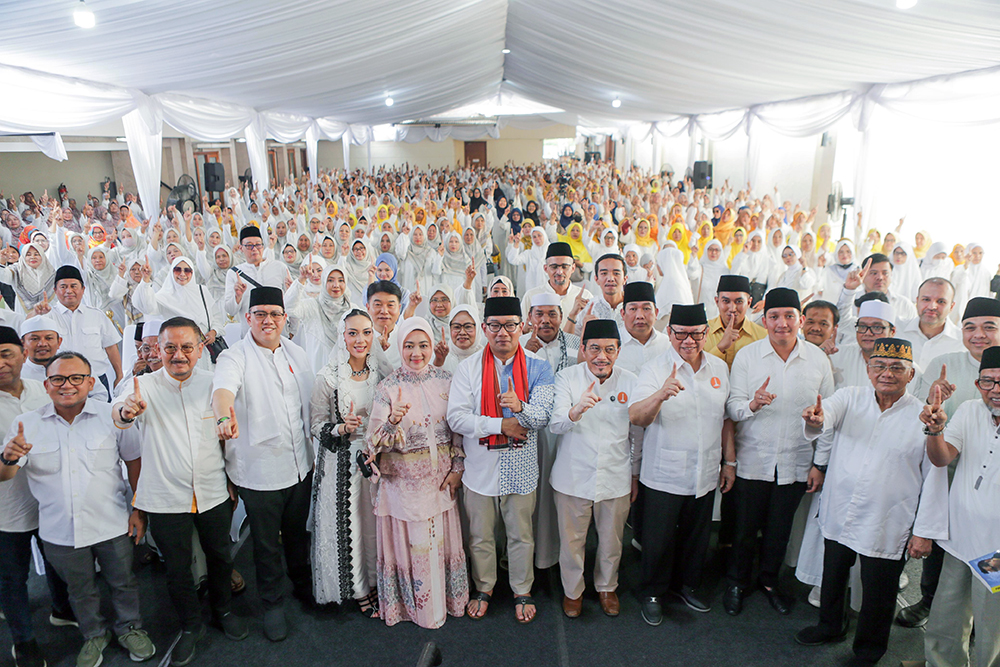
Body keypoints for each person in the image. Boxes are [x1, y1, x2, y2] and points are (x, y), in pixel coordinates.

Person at [795, 338, 947, 664]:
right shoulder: (850, 397)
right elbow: (826, 415)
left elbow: (935, 478)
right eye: (879, 366)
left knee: (879, 590)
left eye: (896, 368)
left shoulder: (922, 416)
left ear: (910, 375)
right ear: (868, 369)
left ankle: (869, 649)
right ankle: (830, 625)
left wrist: (924, 531)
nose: (887, 373)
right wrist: (815, 419)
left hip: (887, 518)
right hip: (841, 507)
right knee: (833, 574)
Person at [0, 352, 153, 667]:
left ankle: (130, 628)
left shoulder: (110, 416)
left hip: (111, 523)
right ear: (47, 384)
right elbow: (6, 475)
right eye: (58, 379)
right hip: (60, 530)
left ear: (90, 382)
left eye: (76, 378)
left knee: (122, 581)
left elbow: (134, 460)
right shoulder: (25, 424)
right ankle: (94, 635)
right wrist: (7, 458)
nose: (66, 385)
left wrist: (139, 508)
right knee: (80, 590)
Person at [112, 317, 248, 665]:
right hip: (164, 497)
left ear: (200, 349)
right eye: (170, 347)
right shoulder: (144, 386)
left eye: (187, 347)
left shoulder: (214, 383)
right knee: (177, 568)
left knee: (220, 556)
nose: (179, 355)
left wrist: (233, 481)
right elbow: (119, 412)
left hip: (213, 490)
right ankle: (189, 625)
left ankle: (224, 612)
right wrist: (127, 412)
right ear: (159, 349)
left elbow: (228, 436)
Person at [212, 286, 315, 642]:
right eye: (261, 314)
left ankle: (303, 585)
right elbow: (223, 391)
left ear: (285, 319)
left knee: (298, 532)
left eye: (275, 314)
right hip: (259, 472)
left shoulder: (297, 353)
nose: (268, 320)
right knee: (266, 543)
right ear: (248, 319)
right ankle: (272, 603)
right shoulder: (234, 357)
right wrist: (224, 417)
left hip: (300, 463)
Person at [724, 287, 835, 616]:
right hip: (753, 460)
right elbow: (731, 407)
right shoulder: (748, 356)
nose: (782, 323)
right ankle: (736, 582)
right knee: (744, 530)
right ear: (765, 319)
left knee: (779, 530)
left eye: (789, 316)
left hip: (797, 461)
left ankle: (769, 581)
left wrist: (820, 463)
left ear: (800, 320)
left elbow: (828, 414)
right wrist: (752, 405)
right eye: (774, 316)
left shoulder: (818, 359)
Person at [446, 296, 555, 624]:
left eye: (510, 325)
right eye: (495, 326)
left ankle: (522, 589)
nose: (503, 333)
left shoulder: (538, 366)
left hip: (520, 465)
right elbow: (456, 418)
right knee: (480, 534)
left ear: (523, 327)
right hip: (480, 465)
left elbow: (544, 415)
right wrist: (500, 424)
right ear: (485, 329)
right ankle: (485, 587)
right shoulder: (467, 369)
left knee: (521, 533)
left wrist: (520, 408)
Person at [897, 296, 1000, 628]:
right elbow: (920, 416)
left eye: (989, 327)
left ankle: (978, 624)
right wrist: (932, 399)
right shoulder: (945, 362)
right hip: (944, 471)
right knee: (939, 550)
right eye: (970, 327)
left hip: (990, 487)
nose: (978, 334)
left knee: (987, 558)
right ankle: (930, 602)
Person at [629, 304, 734, 625]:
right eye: (681, 334)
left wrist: (729, 462)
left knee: (696, 537)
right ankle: (653, 593)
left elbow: (726, 419)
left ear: (706, 334)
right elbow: (636, 416)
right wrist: (660, 395)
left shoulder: (719, 368)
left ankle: (686, 586)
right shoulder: (654, 368)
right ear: (670, 333)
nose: (688, 341)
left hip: (704, 471)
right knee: (658, 539)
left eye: (697, 334)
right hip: (664, 472)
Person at [364, 316, 469, 628]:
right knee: (414, 548)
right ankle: (413, 610)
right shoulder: (388, 388)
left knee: (439, 546)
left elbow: (458, 431)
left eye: (423, 345)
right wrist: (392, 422)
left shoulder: (446, 381)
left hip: (440, 484)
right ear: (400, 347)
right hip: (403, 489)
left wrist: (458, 468)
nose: (416, 352)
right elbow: (374, 443)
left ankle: (447, 603)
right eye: (409, 345)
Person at [907, 345, 1000, 667]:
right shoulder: (972, 410)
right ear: (978, 385)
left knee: (992, 628)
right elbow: (941, 456)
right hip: (960, 540)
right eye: (987, 382)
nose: (995, 390)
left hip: (997, 552)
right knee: (946, 617)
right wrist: (934, 430)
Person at [548, 319, 635, 619]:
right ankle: (573, 592)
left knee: (612, 540)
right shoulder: (566, 378)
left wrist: (634, 473)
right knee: (572, 542)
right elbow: (555, 423)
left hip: (615, 476)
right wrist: (576, 410)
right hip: (573, 476)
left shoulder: (631, 381)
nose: (602, 356)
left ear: (618, 351)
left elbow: (637, 434)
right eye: (595, 348)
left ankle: (607, 587)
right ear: (583, 349)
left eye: (609, 349)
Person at [0, 326, 73, 667]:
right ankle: (24, 640)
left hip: (48, 498)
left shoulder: (41, 391)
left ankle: (62, 609)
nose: (1, 363)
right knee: (14, 576)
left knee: (57, 561)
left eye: (6, 354)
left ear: (22, 354)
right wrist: (6, 459)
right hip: (7, 507)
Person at [308, 308, 387, 614]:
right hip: (341, 465)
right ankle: (358, 588)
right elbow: (315, 426)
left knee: (375, 526)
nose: (360, 339)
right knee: (351, 525)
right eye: (353, 333)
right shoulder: (327, 378)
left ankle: (378, 580)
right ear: (342, 337)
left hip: (376, 460)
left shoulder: (381, 371)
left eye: (366, 332)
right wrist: (342, 428)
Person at [519, 292, 579, 571]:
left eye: (552, 314)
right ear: (529, 318)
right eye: (539, 314)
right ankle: (525, 555)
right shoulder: (517, 346)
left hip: (567, 434)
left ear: (561, 316)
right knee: (530, 496)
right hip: (529, 434)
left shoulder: (575, 345)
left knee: (562, 495)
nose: (545, 320)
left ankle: (556, 555)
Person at [30, 265, 123, 400]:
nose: (69, 291)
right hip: (61, 383)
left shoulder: (97, 315)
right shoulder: (47, 316)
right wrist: (35, 313)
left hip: (96, 380)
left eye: (74, 286)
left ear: (83, 289)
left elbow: (111, 347)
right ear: (55, 290)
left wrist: (119, 375)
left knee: (102, 418)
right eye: (63, 287)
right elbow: (27, 332)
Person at [224, 226, 291, 334]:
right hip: (250, 335)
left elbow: (290, 303)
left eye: (258, 245)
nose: (254, 249)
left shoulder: (280, 267)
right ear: (241, 248)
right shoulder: (234, 273)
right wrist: (238, 296)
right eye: (249, 245)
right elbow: (230, 310)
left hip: (278, 335)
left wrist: (291, 330)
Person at [520, 242, 593, 328]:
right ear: (545, 268)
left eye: (564, 266)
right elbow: (521, 332)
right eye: (554, 267)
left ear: (573, 268)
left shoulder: (585, 296)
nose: (559, 272)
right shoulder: (532, 296)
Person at [895, 278, 964, 368]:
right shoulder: (896, 330)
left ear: (951, 306)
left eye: (941, 302)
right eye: (926, 299)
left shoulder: (962, 343)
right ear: (917, 301)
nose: (932, 306)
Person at [837, 253, 918, 327]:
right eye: (873, 273)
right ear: (862, 275)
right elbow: (840, 324)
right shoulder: (849, 301)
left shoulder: (904, 305)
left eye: (885, 273)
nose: (880, 277)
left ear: (891, 275)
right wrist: (849, 289)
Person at [830, 299, 896, 389]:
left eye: (876, 327)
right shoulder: (837, 355)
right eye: (862, 326)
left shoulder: (904, 368)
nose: (868, 333)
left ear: (892, 332)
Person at [704, 275, 767, 369]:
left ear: (749, 303)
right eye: (726, 301)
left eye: (739, 302)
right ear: (717, 302)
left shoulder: (763, 336)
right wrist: (720, 347)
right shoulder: (702, 333)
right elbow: (697, 373)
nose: (732, 309)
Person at [615, 282, 670, 376]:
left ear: (656, 313)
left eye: (646, 309)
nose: (640, 316)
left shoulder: (667, 345)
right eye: (633, 309)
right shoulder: (612, 345)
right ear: (623, 313)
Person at [367, 281, 404, 369]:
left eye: (390, 305)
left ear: (399, 309)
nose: (384, 311)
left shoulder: (407, 337)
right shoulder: (359, 339)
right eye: (378, 305)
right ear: (368, 308)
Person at [18, 316, 62, 383]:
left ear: (59, 342)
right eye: (34, 339)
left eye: (49, 338)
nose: (42, 344)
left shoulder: (70, 369)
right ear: (22, 343)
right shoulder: (17, 375)